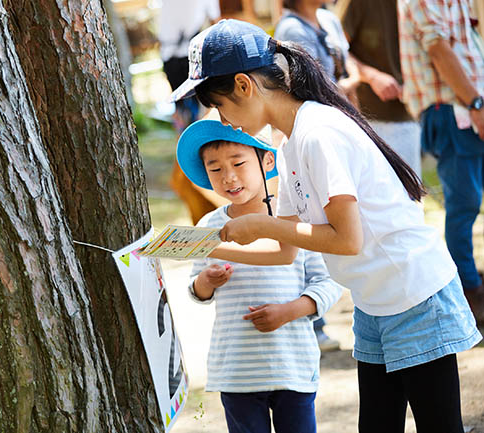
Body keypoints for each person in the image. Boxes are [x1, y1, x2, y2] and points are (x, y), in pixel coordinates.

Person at [170, 19, 482, 433]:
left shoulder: (317, 134)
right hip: (375, 306)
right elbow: (283, 253)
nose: (223, 120)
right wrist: (195, 245)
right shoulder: (290, 143)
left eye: (221, 106)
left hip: (415, 296)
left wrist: (263, 225)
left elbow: (347, 240)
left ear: (244, 86)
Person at [178, 119, 342, 433]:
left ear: (267, 160)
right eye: (215, 169)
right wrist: (206, 283)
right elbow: (195, 288)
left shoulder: (294, 219)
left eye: (238, 162)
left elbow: (328, 280)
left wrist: (290, 311)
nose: (229, 176)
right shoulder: (208, 226)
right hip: (237, 368)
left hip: (292, 363)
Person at [273, 0, 357, 350]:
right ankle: (315, 321)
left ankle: (316, 316)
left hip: (340, 126)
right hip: (326, 129)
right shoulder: (292, 30)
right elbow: (325, 86)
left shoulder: (326, 20)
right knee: (313, 227)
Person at [398, 0, 484, 325]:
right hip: (452, 107)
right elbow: (438, 51)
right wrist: (475, 102)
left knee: (468, 205)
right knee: (464, 205)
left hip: (470, 103)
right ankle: (469, 298)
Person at [335, 0, 422, 177]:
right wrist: (372, 76)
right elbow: (338, 51)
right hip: (369, 121)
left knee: (410, 198)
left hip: (411, 117)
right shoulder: (356, 3)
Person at [159, 0, 222, 224]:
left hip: (172, 59)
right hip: (191, 61)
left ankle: (188, 176)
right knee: (200, 128)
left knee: (191, 129)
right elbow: (217, 26)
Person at [274, 0, 359, 101]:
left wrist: (354, 77)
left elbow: (346, 57)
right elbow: (313, 90)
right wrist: (350, 84)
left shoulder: (329, 18)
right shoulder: (293, 29)